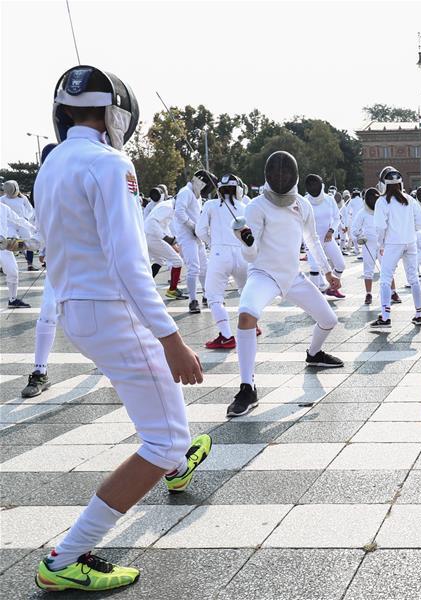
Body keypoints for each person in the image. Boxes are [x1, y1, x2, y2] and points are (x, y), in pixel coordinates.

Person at [33, 65, 210, 592]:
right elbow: (130, 263)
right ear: (116, 113)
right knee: (165, 440)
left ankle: (176, 459)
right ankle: (65, 559)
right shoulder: (111, 164)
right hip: (110, 310)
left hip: (74, 309)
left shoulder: (50, 165)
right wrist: (171, 338)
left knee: (167, 432)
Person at [228, 151, 344, 418]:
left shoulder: (302, 205)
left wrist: (327, 272)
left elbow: (313, 240)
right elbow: (252, 255)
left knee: (329, 320)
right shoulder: (256, 207)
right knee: (246, 315)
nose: (280, 177)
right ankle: (248, 387)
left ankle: (314, 354)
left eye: (285, 173)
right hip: (264, 275)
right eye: (275, 173)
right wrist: (245, 241)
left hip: (292, 277)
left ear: (294, 176)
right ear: (267, 176)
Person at [20, 142, 59, 398]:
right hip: (61, 265)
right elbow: (40, 230)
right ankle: (39, 371)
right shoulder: (43, 190)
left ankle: (114, 364)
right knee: (47, 312)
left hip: (95, 266)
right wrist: (21, 242)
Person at [196, 173, 250, 349]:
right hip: (242, 255)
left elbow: (200, 230)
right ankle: (252, 325)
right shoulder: (245, 207)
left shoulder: (211, 205)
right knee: (246, 292)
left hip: (220, 256)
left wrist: (214, 243)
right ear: (239, 189)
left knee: (214, 297)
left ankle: (226, 335)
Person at [370, 167, 421, 329]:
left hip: (393, 243)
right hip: (410, 241)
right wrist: (409, 230)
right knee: (414, 278)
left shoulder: (382, 201)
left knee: (385, 279)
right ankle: (419, 314)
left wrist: (381, 244)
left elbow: (380, 227)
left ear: (384, 184)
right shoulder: (410, 199)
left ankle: (386, 317)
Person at [174, 169, 215, 313]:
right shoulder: (185, 192)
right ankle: (193, 300)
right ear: (200, 182)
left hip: (196, 235)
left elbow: (198, 215)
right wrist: (192, 226)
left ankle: (206, 295)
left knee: (204, 267)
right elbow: (179, 212)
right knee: (194, 268)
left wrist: (202, 228)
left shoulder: (196, 195)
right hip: (186, 236)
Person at [305, 174, 346, 299]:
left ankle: (332, 288)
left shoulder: (329, 199)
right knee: (314, 268)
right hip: (311, 241)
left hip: (328, 239)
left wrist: (331, 230)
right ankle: (313, 299)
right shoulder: (305, 201)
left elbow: (337, 217)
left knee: (340, 265)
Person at [144, 196, 186, 299]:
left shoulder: (168, 206)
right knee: (178, 262)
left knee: (160, 261)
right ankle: (172, 290)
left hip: (149, 236)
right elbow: (151, 223)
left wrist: (172, 243)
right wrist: (167, 238)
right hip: (152, 236)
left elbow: (164, 226)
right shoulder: (167, 207)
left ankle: (144, 286)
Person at [0, 200, 38, 308]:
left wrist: (33, 228)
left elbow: (18, 219)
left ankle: (12, 300)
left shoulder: (3, 207)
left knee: (13, 272)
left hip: (3, 246)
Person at [2, 180, 38, 271]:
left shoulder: (23, 198)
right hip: (10, 225)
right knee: (8, 243)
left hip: (22, 223)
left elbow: (30, 210)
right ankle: (4, 266)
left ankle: (30, 265)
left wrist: (26, 217)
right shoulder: (2, 199)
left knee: (29, 241)